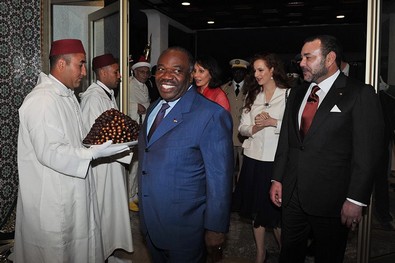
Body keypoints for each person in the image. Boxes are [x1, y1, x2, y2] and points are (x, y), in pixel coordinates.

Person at [269, 35, 384, 263]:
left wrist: (356, 199)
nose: (301, 63)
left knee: (328, 256)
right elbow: (287, 141)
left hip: (333, 200)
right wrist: (277, 178)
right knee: (289, 254)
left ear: (330, 58)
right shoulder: (298, 92)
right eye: (301, 57)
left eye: (308, 57)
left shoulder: (359, 93)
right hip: (292, 194)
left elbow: (368, 153)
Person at [14, 39, 129, 263]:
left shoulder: (67, 96)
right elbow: (50, 152)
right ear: (61, 65)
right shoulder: (43, 100)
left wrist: (95, 146)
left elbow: (75, 140)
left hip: (71, 190)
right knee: (55, 252)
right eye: (80, 64)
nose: (85, 72)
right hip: (52, 198)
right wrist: (91, 154)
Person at [137, 46, 234, 262]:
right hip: (151, 224)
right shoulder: (154, 108)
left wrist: (216, 229)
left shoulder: (211, 115)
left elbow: (220, 179)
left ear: (190, 76)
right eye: (161, 69)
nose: (166, 75)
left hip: (185, 231)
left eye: (176, 70)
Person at [233, 52, 289, 263]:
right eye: (254, 70)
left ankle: (287, 254)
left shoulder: (288, 95)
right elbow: (242, 128)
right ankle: (260, 254)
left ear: (272, 70)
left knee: (276, 216)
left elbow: (295, 129)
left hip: (275, 162)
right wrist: (255, 126)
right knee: (257, 212)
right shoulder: (252, 96)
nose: (255, 74)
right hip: (254, 160)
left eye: (260, 70)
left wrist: (272, 121)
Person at [80, 53, 133, 262]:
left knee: (111, 214)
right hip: (102, 168)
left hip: (112, 164)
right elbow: (94, 137)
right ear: (102, 73)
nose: (120, 76)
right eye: (116, 71)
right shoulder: (94, 97)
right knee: (103, 213)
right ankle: (99, 256)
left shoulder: (107, 94)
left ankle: (108, 254)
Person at [128, 56, 152, 212]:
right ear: (134, 71)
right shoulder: (129, 85)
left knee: (139, 162)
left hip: (142, 126)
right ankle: (128, 195)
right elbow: (121, 102)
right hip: (132, 126)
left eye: (146, 72)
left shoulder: (146, 86)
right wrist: (134, 106)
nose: (144, 75)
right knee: (132, 162)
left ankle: (135, 193)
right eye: (141, 72)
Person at [221, 58, 249, 187]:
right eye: (235, 71)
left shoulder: (252, 89)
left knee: (244, 170)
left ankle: (242, 195)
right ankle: (230, 194)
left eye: (241, 71)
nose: (238, 74)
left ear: (245, 73)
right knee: (228, 169)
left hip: (244, 136)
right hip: (228, 135)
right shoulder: (224, 89)